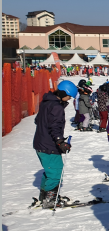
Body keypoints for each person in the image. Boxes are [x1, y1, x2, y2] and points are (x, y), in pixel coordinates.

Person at [33, 80, 77, 208]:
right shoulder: (56, 106)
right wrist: (60, 141)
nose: (69, 99)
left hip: (40, 143)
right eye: (69, 96)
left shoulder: (46, 102)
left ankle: (45, 195)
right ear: (63, 93)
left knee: (49, 171)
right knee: (56, 171)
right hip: (49, 145)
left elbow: (38, 120)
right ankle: (50, 199)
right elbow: (55, 126)